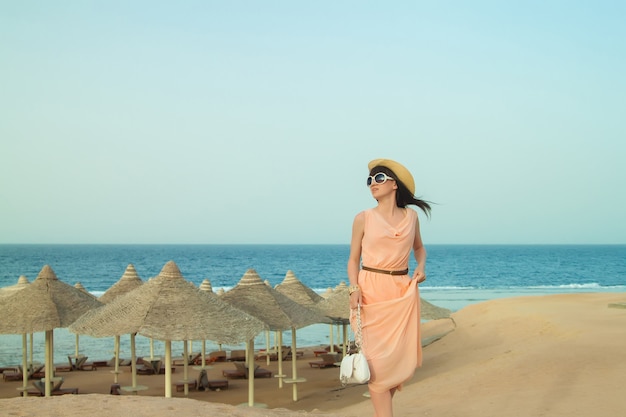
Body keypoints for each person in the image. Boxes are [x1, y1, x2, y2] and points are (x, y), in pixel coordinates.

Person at [347, 158, 431, 417]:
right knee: (377, 366)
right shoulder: (363, 218)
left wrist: (421, 266)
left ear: (395, 184)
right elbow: (352, 259)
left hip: (402, 291)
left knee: (396, 365)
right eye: (370, 180)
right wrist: (353, 288)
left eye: (379, 178)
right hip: (370, 290)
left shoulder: (412, 217)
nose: (373, 183)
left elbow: (419, 248)